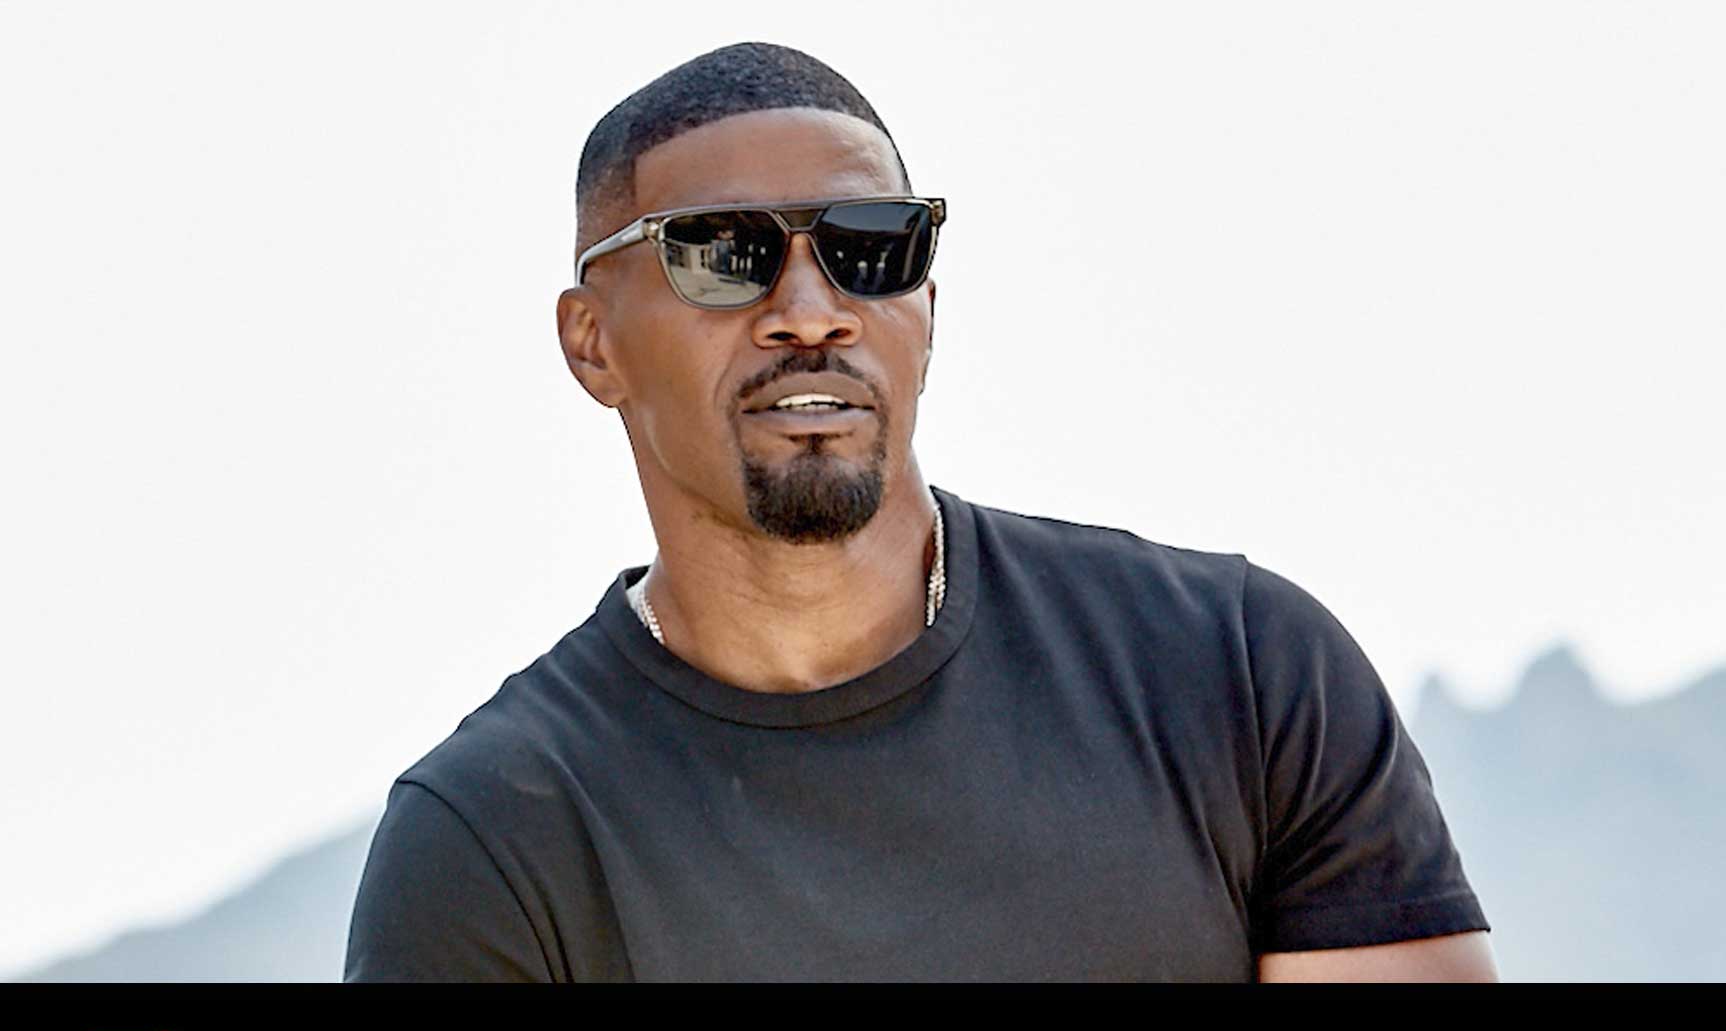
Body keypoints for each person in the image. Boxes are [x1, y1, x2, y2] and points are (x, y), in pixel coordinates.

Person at [343, 41, 1497, 983]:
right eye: (726, 256)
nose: (812, 310)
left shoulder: (1238, 674)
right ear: (592, 343)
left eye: (870, 249)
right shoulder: (491, 841)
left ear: (927, 307)